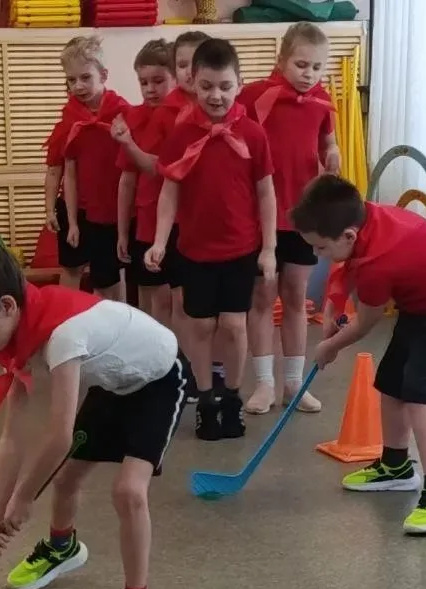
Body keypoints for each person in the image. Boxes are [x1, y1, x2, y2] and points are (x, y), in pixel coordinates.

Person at [0, 241, 185, 589]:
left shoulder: (63, 335)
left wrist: (23, 498)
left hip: (158, 382)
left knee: (128, 491)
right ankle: (62, 546)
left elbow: (59, 436)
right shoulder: (18, 333)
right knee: (66, 480)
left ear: (7, 305)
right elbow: (12, 436)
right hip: (112, 385)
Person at [293, 174, 426, 535]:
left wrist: (329, 347)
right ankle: (396, 466)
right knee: (391, 382)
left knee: (419, 392)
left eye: (320, 248)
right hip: (422, 305)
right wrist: (334, 308)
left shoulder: (379, 261)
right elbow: (348, 270)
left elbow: (365, 322)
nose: (317, 255)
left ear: (348, 235)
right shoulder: (366, 219)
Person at [146, 38, 275, 442]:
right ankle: (205, 398)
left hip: (240, 248)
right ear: (192, 84)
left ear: (239, 84)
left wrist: (269, 248)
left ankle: (232, 396)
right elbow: (169, 193)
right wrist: (160, 241)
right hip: (195, 250)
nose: (215, 96)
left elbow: (266, 193)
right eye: (206, 87)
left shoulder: (253, 134)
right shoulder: (181, 134)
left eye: (224, 86)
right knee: (200, 326)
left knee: (235, 325)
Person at [241, 23, 340, 416]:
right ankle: (264, 382)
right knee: (262, 297)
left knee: (297, 296)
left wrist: (332, 153)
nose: (308, 74)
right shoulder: (255, 96)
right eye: (301, 65)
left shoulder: (322, 101)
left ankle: (294, 382)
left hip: (301, 216)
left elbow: (327, 141)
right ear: (281, 60)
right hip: (260, 215)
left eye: (317, 67)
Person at [43, 35, 131, 299]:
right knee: (72, 268)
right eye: (71, 80)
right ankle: (66, 317)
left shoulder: (123, 113)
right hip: (75, 207)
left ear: (103, 75)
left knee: (109, 274)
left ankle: (113, 319)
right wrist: (49, 209)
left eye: (85, 78)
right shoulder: (69, 120)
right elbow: (55, 169)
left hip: (110, 210)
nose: (78, 86)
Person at [113, 40, 177, 326]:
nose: (150, 89)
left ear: (176, 78)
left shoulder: (184, 118)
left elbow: (161, 168)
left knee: (171, 298)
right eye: (143, 82)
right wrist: (122, 232)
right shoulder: (134, 118)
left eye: (158, 81)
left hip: (178, 221)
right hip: (145, 221)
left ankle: (173, 348)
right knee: (147, 294)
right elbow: (127, 180)